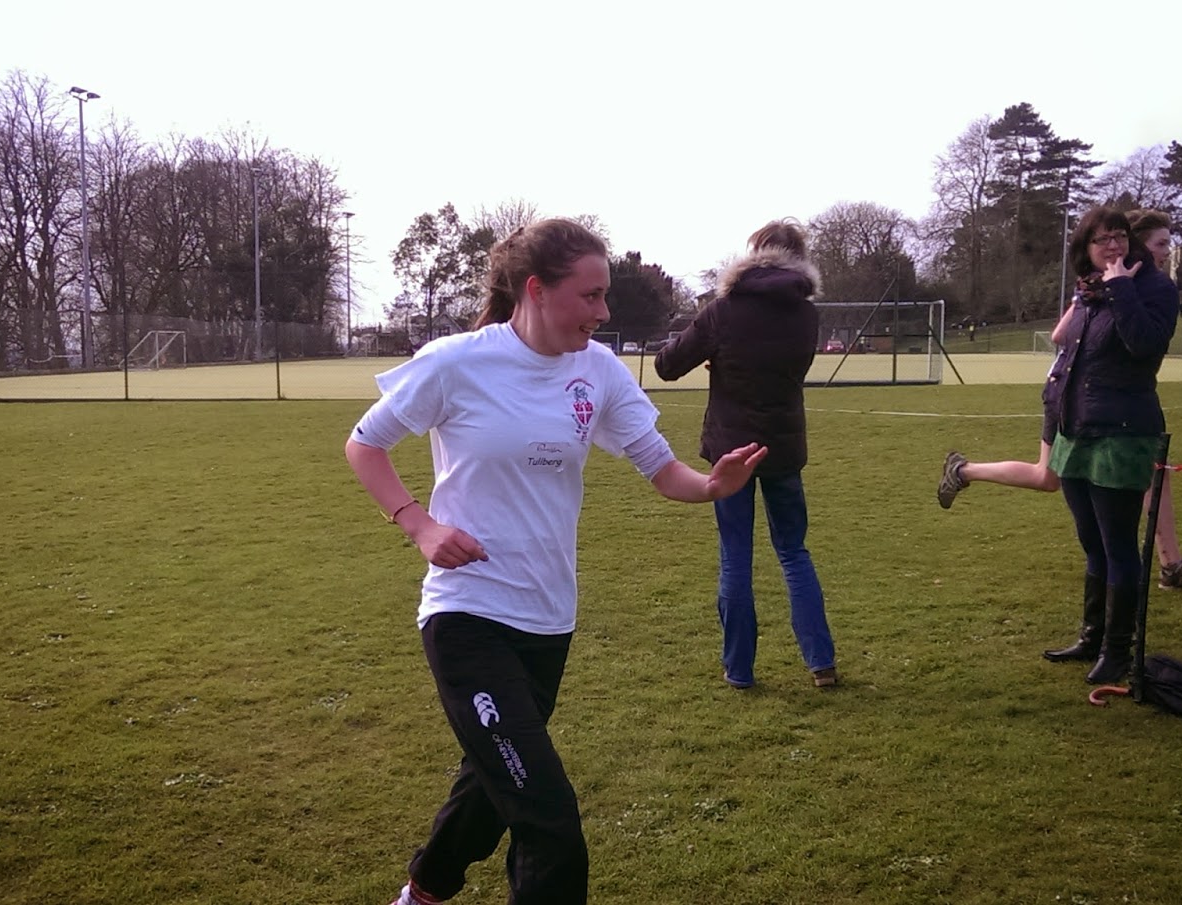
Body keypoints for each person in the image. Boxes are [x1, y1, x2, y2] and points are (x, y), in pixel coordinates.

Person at [345, 219, 767, 905]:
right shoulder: (456, 363)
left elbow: (662, 470)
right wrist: (419, 525)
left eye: (605, 296)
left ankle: (419, 895)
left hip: (548, 620)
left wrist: (712, 486)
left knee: (491, 786)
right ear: (537, 290)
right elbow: (365, 444)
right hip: (467, 614)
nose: (604, 311)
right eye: (590, 296)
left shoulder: (597, 371)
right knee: (548, 819)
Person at [937, 210, 1182, 592]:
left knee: (1148, 476)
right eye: (1160, 244)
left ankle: (1171, 563)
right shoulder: (1099, 284)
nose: (1164, 252)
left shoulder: (1146, 286)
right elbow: (1060, 335)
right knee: (1047, 478)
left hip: (1104, 405)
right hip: (1069, 396)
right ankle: (963, 470)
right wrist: (1107, 303)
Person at [654, 219, 839, 691]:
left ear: (755, 253)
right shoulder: (807, 314)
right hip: (783, 449)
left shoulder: (723, 311)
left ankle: (739, 669)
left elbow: (668, 366)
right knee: (794, 553)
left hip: (730, 452)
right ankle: (821, 663)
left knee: (735, 557)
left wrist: (717, 356)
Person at [1044, 205, 1177, 684]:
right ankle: (1092, 637)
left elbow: (1144, 345)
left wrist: (1121, 288)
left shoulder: (1154, 287)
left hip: (1123, 432)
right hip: (1077, 429)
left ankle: (1118, 651)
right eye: (1102, 239)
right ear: (1086, 248)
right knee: (1092, 542)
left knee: (1118, 544)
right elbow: (1068, 350)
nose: (1113, 245)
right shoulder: (1089, 291)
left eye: (1119, 235)